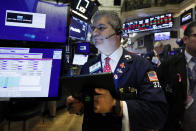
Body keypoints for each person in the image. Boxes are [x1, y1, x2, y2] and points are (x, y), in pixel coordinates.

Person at [66, 10, 167, 131]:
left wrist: (117, 105)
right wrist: (81, 105)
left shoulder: (141, 65)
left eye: (101, 28)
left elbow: (158, 113)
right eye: (93, 28)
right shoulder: (88, 67)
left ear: (118, 32)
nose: (95, 32)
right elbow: (88, 99)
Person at [157, 21, 196, 131]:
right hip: (176, 125)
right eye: (195, 36)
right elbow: (157, 96)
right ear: (185, 39)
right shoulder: (168, 65)